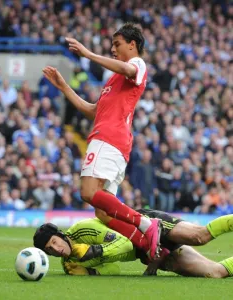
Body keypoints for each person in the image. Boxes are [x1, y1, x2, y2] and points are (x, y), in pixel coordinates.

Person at [42, 22, 161, 259]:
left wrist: (87, 54)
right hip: (113, 140)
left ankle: (147, 225)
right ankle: (147, 248)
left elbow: (129, 70)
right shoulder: (113, 82)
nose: (113, 49)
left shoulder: (136, 64)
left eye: (117, 44)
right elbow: (92, 110)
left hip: (108, 137)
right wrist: (64, 86)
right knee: (104, 213)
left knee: (87, 191)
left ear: (132, 44)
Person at [33, 212, 233, 278]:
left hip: (150, 225)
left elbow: (126, 244)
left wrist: (93, 251)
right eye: (50, 250)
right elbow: (115, 267)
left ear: (60, 234)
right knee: (214, 273)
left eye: (54, 242)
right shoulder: (71, 264)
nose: (56, 249)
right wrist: (92, 272)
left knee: (200, 236)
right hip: (147, 253)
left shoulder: (82, 229)